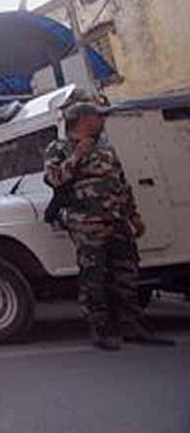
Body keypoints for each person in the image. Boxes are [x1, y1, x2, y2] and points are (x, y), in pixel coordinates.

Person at [43, 102, 174, 350]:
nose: (102, 120)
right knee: (94, 276)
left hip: (117, 220)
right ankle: (100, 327)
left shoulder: (106, 148)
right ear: (84, 119)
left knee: (127, 272)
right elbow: (54, 179)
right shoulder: (59, 148)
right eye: (98, 116)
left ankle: (131, 324)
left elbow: (121, 183)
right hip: (87, 223)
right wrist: (77, 155)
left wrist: (133, 215)